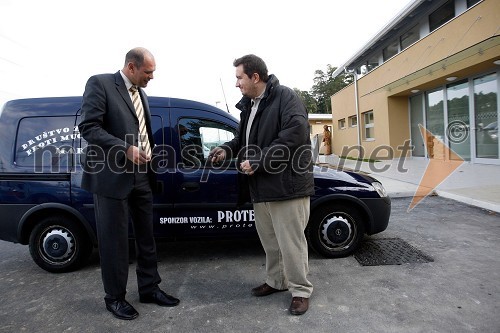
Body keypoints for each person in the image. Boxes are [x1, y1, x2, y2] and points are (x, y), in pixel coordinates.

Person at [79, 47, 179, 320]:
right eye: (148, 72)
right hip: (111, 177)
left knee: (147, 237)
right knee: (115, 242)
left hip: (142, 175)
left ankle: (149, 288)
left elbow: (142, 130)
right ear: (131, 67)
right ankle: (115, 298)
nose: (152, 77)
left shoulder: (141, 93)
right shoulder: (100, 83)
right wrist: (124, 148)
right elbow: (89, 127)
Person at [210, 54, 315, 315]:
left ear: (255, 77)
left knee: (291, 244)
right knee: (270, 242)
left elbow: (294, 135)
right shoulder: (250, 105)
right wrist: (226, 148)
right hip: (262, 187)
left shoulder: (285, 98)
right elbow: (242, 140)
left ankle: (300, 290)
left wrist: (259, 160)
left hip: (287, 187)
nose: (237, 84)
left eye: (239, 77)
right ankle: (277, 281)